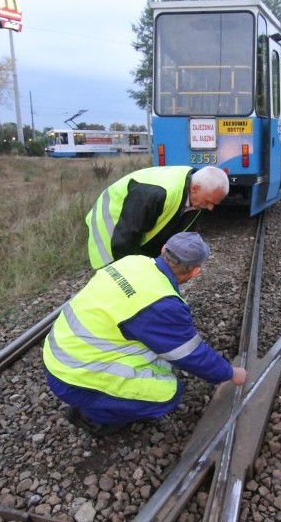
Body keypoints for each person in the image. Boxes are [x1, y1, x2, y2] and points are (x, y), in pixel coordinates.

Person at [43, 231, 247, 437]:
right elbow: (190, 354)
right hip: (72, 378)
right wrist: (230, 373)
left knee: (158, 359)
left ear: (163, 250)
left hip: (57, 353)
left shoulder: (133, 261)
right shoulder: (161, 303)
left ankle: (96, 401)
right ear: (195, 272)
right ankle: (92, 416)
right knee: (167, 394)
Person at [85, 165, 229, 270]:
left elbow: (172, 235)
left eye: (215, 204)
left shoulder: (198, 195)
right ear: (195, 188)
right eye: (209, 202)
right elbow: (124, 238)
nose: (210, 208)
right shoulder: (156, 194)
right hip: (111, 225)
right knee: (116, 277)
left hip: (134, 226)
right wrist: (132, 273)